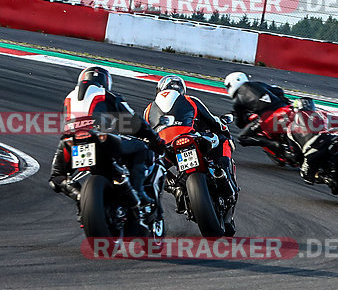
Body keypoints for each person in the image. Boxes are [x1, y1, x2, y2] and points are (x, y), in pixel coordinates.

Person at [49, 66, 165, 208]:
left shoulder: (69, 98)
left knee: (56, 177)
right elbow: (135, 121)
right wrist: (155, 139)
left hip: (69, 141)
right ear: (105, 82)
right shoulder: (106, 95)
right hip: (102, 139)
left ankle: (79, 195)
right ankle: (138, 192)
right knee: (142, 148)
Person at [145, 75, 238, 217]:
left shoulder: (148, 109)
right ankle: (222, 172)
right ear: (182, 90)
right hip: (191, 138)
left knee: (153, 166)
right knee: (222, 139)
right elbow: (213, 121)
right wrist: (223, 127)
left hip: (165, 148)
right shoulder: (190, 100)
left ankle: (174, 187)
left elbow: (145, 135)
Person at [223, 71, 292, 155]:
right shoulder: (258, 84)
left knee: (242, 138)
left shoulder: (238, 100)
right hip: (285, 108)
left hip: (267, 117)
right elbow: (279, 91)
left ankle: (274, 144)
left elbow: (240, 123)